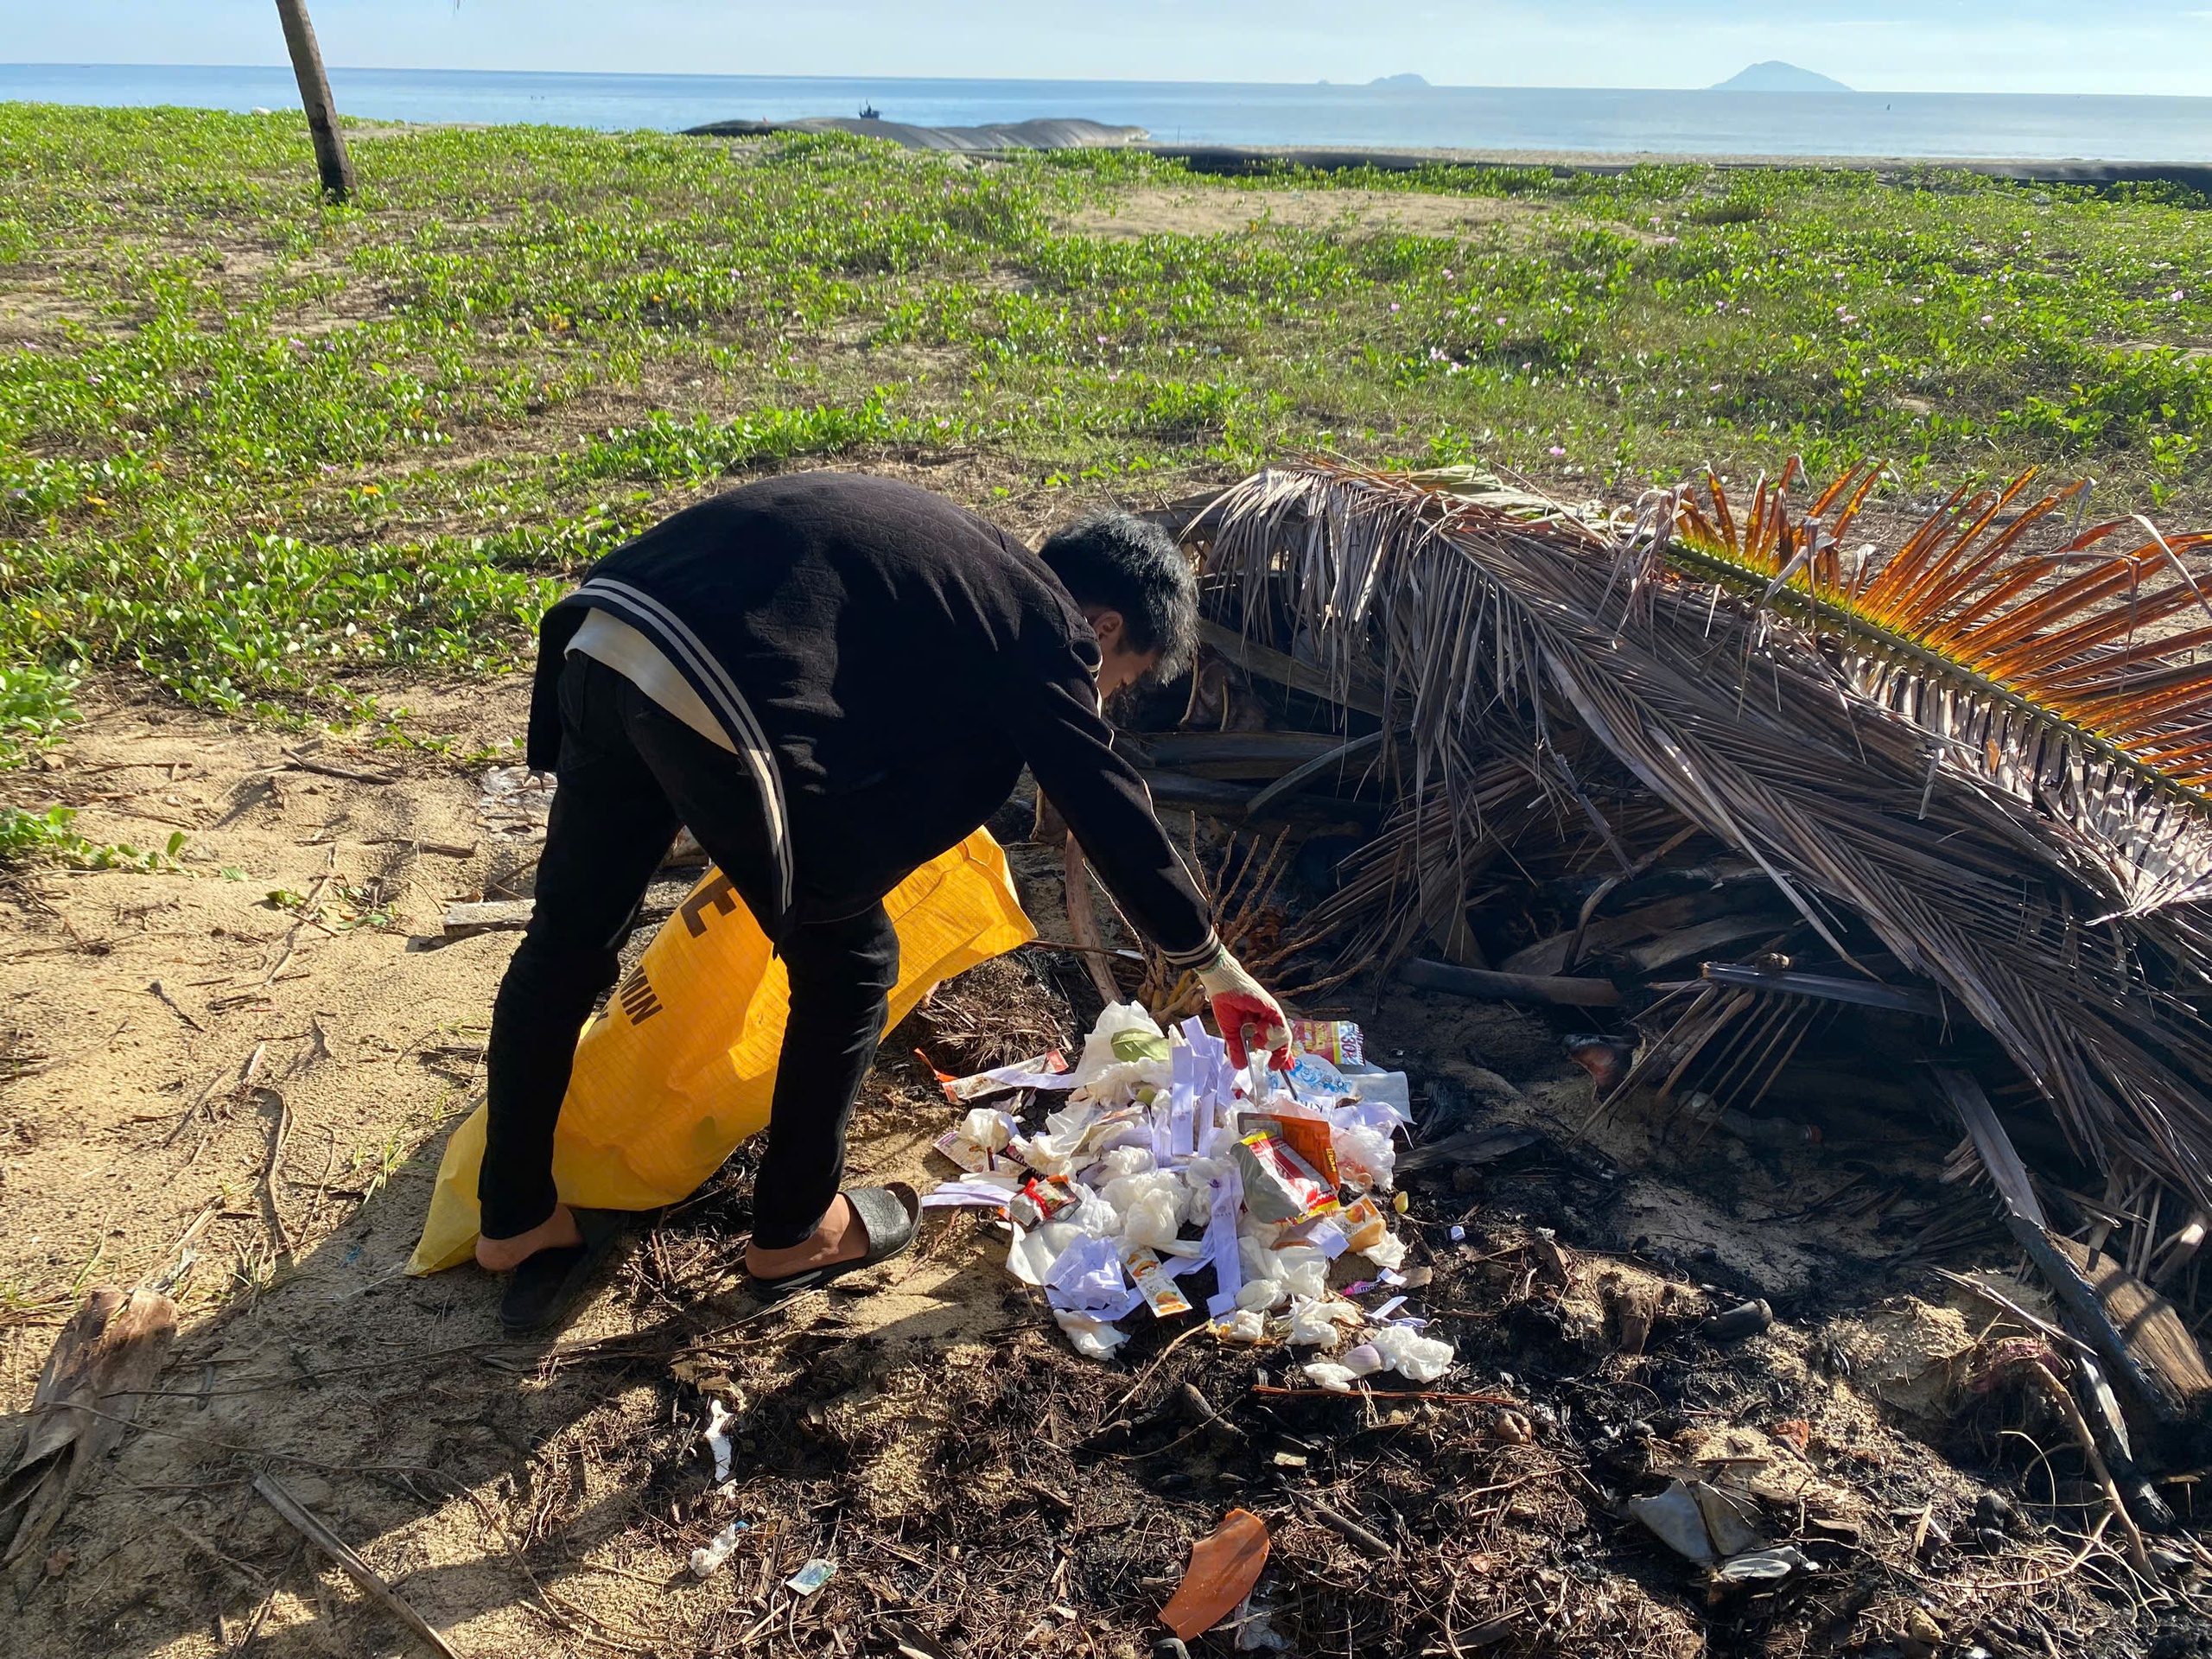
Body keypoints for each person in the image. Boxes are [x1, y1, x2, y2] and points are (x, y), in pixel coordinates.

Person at [475, 470, 1293, 1332]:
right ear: (1104, 626)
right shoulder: (1047, 627)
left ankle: (516, 1218)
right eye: (1118, 681)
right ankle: (793, 1229)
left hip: (602, 635)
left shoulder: (955, 570)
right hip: (711, 689)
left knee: (565, 942)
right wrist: (1211, 964)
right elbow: (1101, 792)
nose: (1103, 694)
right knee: (852, 964)